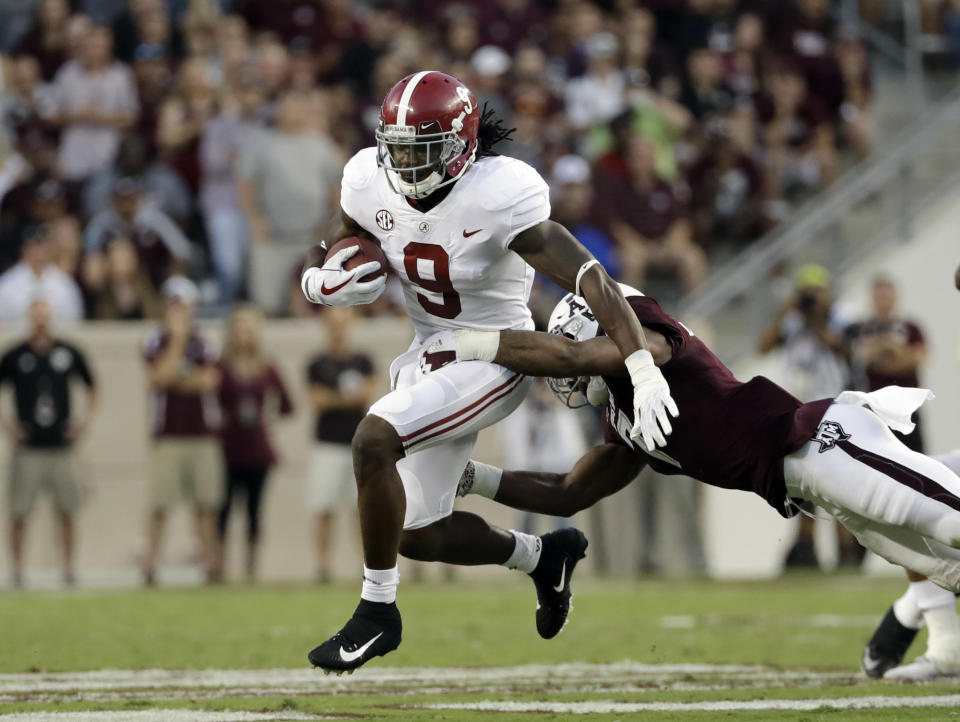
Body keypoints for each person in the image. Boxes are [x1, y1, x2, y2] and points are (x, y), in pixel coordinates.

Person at [299, 71, 678, 672]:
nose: (402, 163)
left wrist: (638, 358)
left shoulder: (501, 192)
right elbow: (343, 234)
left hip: (493, 356)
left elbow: (587, 276)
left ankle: (377, 613)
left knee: (374, 439)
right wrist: (321, 273)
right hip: (425, 353)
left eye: (418, 150)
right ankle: (541, 557)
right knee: (413, 531)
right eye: (394, 147)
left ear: (459, 146)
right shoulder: (367, 178)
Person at [427, 285, 960, 680]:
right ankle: (948, 652)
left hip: (821, 441)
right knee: (944, 564)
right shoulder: (625, 412)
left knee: (950, 520)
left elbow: (620, 353)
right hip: (809, 486)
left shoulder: (648, 340)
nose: (566, 370)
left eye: (572, 345)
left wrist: (480, 343)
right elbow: (570, 490)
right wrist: (473, 478)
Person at [758, 264, 857, 568]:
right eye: (807, 294)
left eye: (817, 293)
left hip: (833, 411)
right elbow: (763, 346)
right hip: (798, 412)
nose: (811, 299)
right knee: (804, 488)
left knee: (839, 489)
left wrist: (816, 319)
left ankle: (847, 559)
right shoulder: (791, 321)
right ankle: (806, 556)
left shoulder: (841, 317)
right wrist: (786, 311)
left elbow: (846, 351)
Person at [0, 297, 97, 587]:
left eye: (45, 314)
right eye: (36, 314)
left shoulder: (68, 352)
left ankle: (68, 569)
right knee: (19, 511)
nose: (41, 320)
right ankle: (17, 569)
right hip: (28, 446)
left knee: (67, 510)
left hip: (61, 446)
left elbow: (93, 387)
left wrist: (83, 423)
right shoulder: (16, 355)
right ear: (29, 317)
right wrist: (8, 426)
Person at [141, 275, 222, 585]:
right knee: (159, 503)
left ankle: (207, 563)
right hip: (167, 434)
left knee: (205, 503)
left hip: (202, 434)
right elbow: (159, 378)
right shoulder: (155, 339)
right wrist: (176, 341)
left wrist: (177, 378)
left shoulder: (207, 340)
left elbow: (209, 380)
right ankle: (151, 563)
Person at [238, 90, 343, 315]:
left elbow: (336, 187)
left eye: (297, 106)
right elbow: (245, 184)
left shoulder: (321, 144)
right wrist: (254, 220)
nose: (291, 112)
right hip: (272, 237)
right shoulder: (260, 143)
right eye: (286, 106)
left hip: (311, 237)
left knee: (311, 303)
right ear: (277, 111)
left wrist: (330, 225)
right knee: (267, 303)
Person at [214, 306, 293, 582]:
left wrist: (269, 418)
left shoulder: (267, 367)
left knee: (253, 512)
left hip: (257, 449)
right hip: (228, 448)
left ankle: (251, 570)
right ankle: (219, 567)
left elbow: (287, 404)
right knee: (222, 511)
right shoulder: (220, 366)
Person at [306, 307, 374, 583]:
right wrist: (348, 397)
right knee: (324, 507)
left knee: (360, 510)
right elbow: (316, 400)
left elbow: (368, 395)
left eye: (343, 323)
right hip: (327, 445)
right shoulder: (317, 363)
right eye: (333, 323)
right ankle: (323, 565)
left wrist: (334, 397)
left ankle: (366, 566)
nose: (338, 328)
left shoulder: (362, 360)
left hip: (357, 444)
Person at [846, 276, 928, 452]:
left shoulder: (910, 327)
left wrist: (885, 352)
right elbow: (865, 358)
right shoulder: (864, 329)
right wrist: (895, 349)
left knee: (918, 456)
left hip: (908, 405)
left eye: (887, 296)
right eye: (879, 297)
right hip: (878, 408)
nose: (883, 302)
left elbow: (918, 358)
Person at [0, 225, 84, 325]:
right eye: (34, 247)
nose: (39, 254)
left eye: (43, 247)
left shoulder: (65, 283)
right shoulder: (7, 283)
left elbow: (75, 321)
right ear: (24, 249)